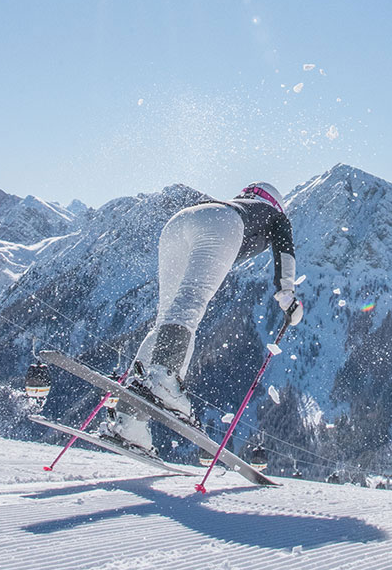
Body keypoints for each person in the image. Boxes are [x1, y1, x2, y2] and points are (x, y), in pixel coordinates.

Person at [104, 182, 302, 453]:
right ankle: (164, 378)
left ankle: (128, 421)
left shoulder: (241, 205)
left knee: (166, 318)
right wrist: (287, 294)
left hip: (179, 223)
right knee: (190, 303)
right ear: (277, 203)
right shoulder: (274, 215)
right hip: (220, 225)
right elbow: (285, 250)